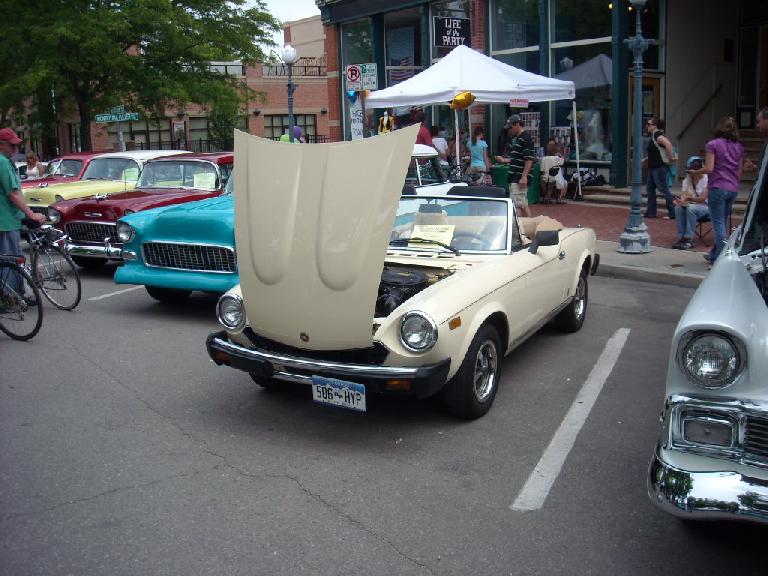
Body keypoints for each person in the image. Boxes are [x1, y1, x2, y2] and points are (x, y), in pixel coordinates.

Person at [688, 116, 745, 263]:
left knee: (718, 223)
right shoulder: (739, 146)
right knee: (723, 221)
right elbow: (739, 171)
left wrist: (695, 172)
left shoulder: (713, 144)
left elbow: (709, 168)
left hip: (718, 186)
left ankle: (722, 257)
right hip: (733, 187)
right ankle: (714, 254)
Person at [0, 128, 46, 263]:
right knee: (10, 266)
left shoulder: (6, 161)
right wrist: (31, 214)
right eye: (12, 145)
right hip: (6, 223)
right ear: (1, 144)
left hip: (7, 221)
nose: (15, 149)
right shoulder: (2, 162)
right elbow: (13, 194)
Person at [495, 114, 534, 217]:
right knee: (523, 204)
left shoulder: (525, 138)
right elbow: (518, 158)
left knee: (517, 205)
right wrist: (504, 160)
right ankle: (530, 226)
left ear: (517, 124)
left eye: (511, 127)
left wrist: (524, 177)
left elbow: (529, 159)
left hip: (518, 177)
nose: (510, 130)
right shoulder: (518, 139)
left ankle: (519, 230)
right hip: (517, 176)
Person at [671, 156, 709, 250]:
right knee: (679, 208)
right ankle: (681, 237)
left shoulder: (707, 180)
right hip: (692, 206)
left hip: (707, 208)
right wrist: (680, 200)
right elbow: (684, 195)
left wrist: (688, 198)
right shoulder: (687, 180)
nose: (691, 173)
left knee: (691, 208)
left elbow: (702, 199)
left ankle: (688, 239)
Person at [643, 117, 677, 219]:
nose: (647, 126)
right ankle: (651, 212)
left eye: (649, 124)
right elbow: (655, 152)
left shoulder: (658, 135)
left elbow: (668, 144)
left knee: (664, 190)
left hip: (659, 168)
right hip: (653, 168)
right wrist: (645, 159)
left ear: (654, 126)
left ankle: (673, 212)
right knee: (650, 189)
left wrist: (671, 157)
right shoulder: (654, 136)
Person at [539, 139, 565, 204]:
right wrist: (560, 156)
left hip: (546, 177)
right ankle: (554, 198)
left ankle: (546, 197)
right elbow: (562, 162)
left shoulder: (544, 158)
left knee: (545, 180)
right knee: (553, 182)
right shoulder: (557, 158)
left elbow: (542, 170)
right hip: (554, 178)